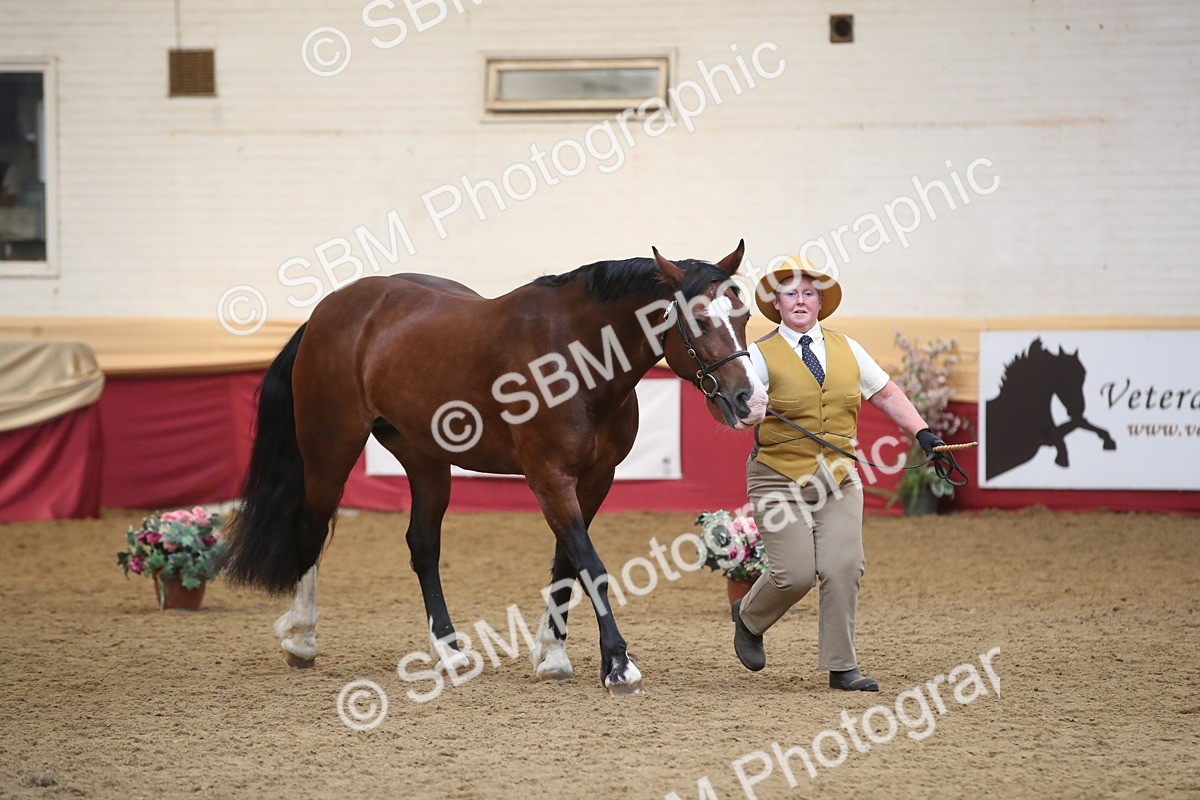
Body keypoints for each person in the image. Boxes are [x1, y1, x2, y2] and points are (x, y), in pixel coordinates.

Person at [731, 257, 949, 691]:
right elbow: (741, 412)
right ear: (776, 304)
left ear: (819, 303)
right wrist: (746, 410)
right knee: (793, 574)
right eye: (790, 293)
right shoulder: (757, 354)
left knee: (843, 566)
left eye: (808, 293)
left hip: (838, 478)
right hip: (778, 475)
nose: (799, 300)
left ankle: (842, 666)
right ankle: (750, 618)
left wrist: (923, 432)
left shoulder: (849, 348)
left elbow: (885, 393)